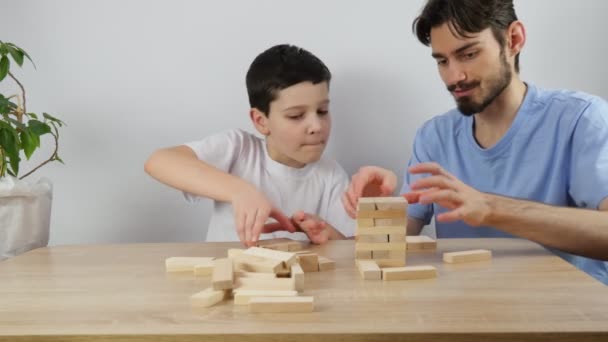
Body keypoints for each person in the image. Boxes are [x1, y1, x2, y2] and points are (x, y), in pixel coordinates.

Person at [342, 0, 608, 284]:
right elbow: (400, 236)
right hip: (467, 315)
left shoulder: (581, 119)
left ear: (513, 39)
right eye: (442, 61)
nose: (454, 77)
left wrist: (491, 209)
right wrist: (379, 212)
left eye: (468, 54)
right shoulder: (434, 136)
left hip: (568, 317)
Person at [145, 44, 353, 247]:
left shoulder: (332, 176)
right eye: (296, 115)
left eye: (323, 111)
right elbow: (159, 161)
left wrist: (329, 235)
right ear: (261, 121)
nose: (316, 126)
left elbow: (351, 252)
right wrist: (239, 191)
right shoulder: (238, 149)